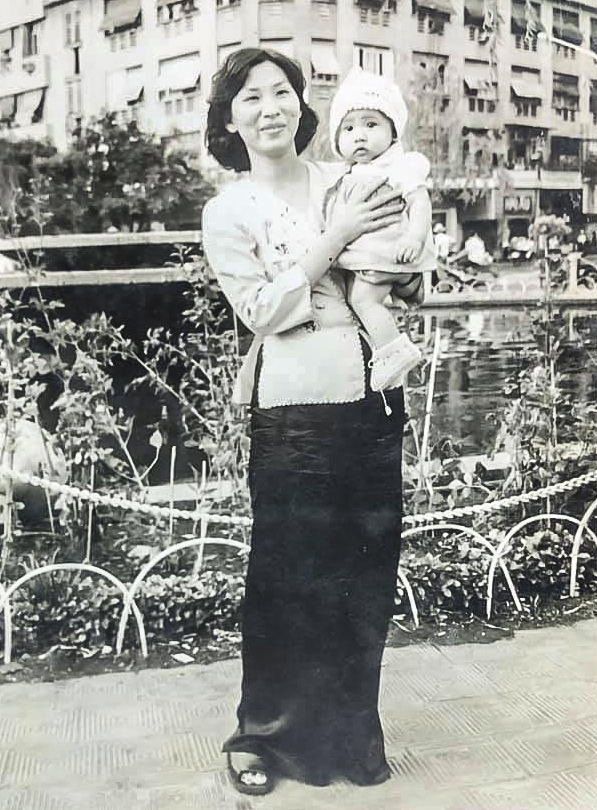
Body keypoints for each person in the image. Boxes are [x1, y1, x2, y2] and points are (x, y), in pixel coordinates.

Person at [202, 48, 412, 795]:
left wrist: (402, 269)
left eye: (282, 92)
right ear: (229, 120)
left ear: (301, 104)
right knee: (286, 575)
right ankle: (262, 736)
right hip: (291, 404)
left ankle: (349, 735)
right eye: (251, 98)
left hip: (371, 395)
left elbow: (399, 260)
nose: (271, 108)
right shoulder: (228, 210)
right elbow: (263, 309)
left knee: (365, 572)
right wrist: (336, 237)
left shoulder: (345, 177)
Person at [324, 67, 435, 396]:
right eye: (348, 128)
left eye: (371, 125)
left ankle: (393, 349)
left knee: (362, 299)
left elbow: (419, 201)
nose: (359, 135)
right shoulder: (349, 174)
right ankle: (386, 347)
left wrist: (414, 237)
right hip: (369, 255)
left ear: (393, 132)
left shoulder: (400, 166)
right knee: (358, 297)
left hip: (389, 251)